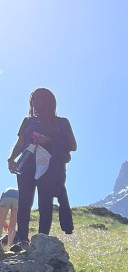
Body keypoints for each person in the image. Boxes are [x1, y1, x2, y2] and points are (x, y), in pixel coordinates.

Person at [6, 88, 77, 251]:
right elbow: (21, 142)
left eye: (39, 99)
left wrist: (50, 140)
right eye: (33, 100)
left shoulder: (62, 122)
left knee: (45, 202)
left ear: (49, 102)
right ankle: (21, 239)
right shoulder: (27, 122)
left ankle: (41, 241)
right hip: (27, 164)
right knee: (24, 201)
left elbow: (73, 146)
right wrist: (11, 159)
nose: (35, 103)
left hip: (50, 167)